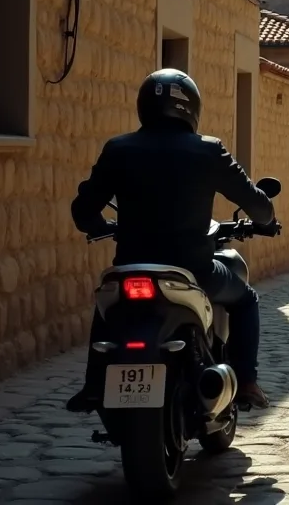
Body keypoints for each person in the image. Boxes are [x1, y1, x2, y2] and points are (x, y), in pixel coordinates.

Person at [66, 68, 276, 413]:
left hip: (132, 266)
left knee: (108, 304)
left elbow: (83, 211)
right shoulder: (208, 150)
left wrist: (98, 224)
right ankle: (247, 381)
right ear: (191, 107)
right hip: (194, 270)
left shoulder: (118, 149)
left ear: (143, 105)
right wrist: (265, 218)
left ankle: (93, 384)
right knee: (246, 299)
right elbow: (256, 203)